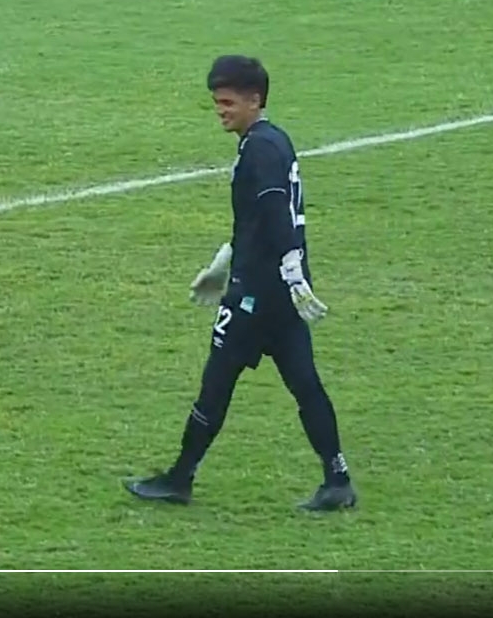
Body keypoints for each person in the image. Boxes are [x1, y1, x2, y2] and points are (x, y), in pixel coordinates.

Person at [123, 55, 357, 511]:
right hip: (277, 292)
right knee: (305, 383)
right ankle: (337, 478)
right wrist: (223, 262)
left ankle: (179, 478)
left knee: (217, 383)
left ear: (255, 100)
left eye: (228, 101)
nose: (221, 110)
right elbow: (257, 219)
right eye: (217, 102)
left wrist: (288, 268)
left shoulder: (259, 149)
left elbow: (273, 210)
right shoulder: (272, 141)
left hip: (258, 294)